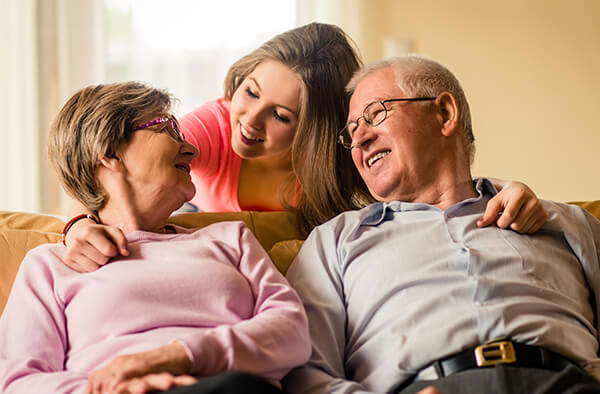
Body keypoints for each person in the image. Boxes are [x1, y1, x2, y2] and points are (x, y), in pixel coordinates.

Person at [61, 22, 546, 273]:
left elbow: (429, 184)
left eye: (281, 116)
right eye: (250, 92)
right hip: (197, 221)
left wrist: (504, 188)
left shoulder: (343, 157)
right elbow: (117, 167)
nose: (248, 121)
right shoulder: (215, 123)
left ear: (313, 132)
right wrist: (78, 223)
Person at [282, 55, 600, 393]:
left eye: (374, 114)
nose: (359, 140)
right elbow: (305, 375)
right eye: (351, 131)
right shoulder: (335, 242)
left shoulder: (565, 222)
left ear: (445, 113)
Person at [0, 82, 311, 394]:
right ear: (109, 152)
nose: (192, 149)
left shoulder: (231, 238)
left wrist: (179, 356)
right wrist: (114, 389)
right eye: (167, 128)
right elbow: (19, 381)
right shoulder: (51, 265)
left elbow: (292, 330)